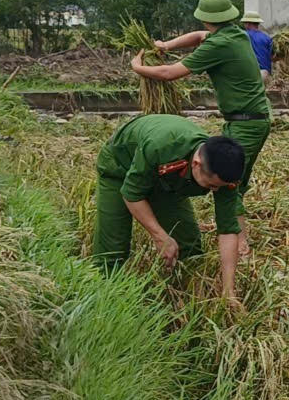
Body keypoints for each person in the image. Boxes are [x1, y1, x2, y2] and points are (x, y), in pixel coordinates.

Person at [133, 0, 271, 258]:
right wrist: (166, 46)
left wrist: (139, 68)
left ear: (206, 18)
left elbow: (169, 73)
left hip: (247, 122)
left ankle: (239, 242)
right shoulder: (233, 34)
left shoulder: (219, 45)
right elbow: (197, 36)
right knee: (234, 180)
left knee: (230, 181)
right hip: (252, 118)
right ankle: (239, 238)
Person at [93, 114, 245, 298]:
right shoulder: (162, 146)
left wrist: (228, 292)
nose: (215, 191)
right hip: (119, 168)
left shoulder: (226, 173)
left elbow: (228, 229)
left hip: (167, 182)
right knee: (113, 248)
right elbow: (132, 194)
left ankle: (184, 293)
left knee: (189, 245)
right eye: (211, 185)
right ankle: (107, 297)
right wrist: (160, 237)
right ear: (196, 164)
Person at [240, 11, 273, 82]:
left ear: (247, 23)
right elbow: (272, 56)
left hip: (252, 74)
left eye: (244, 23)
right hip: (266, 73)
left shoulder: (243, 36)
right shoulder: (267, 37)